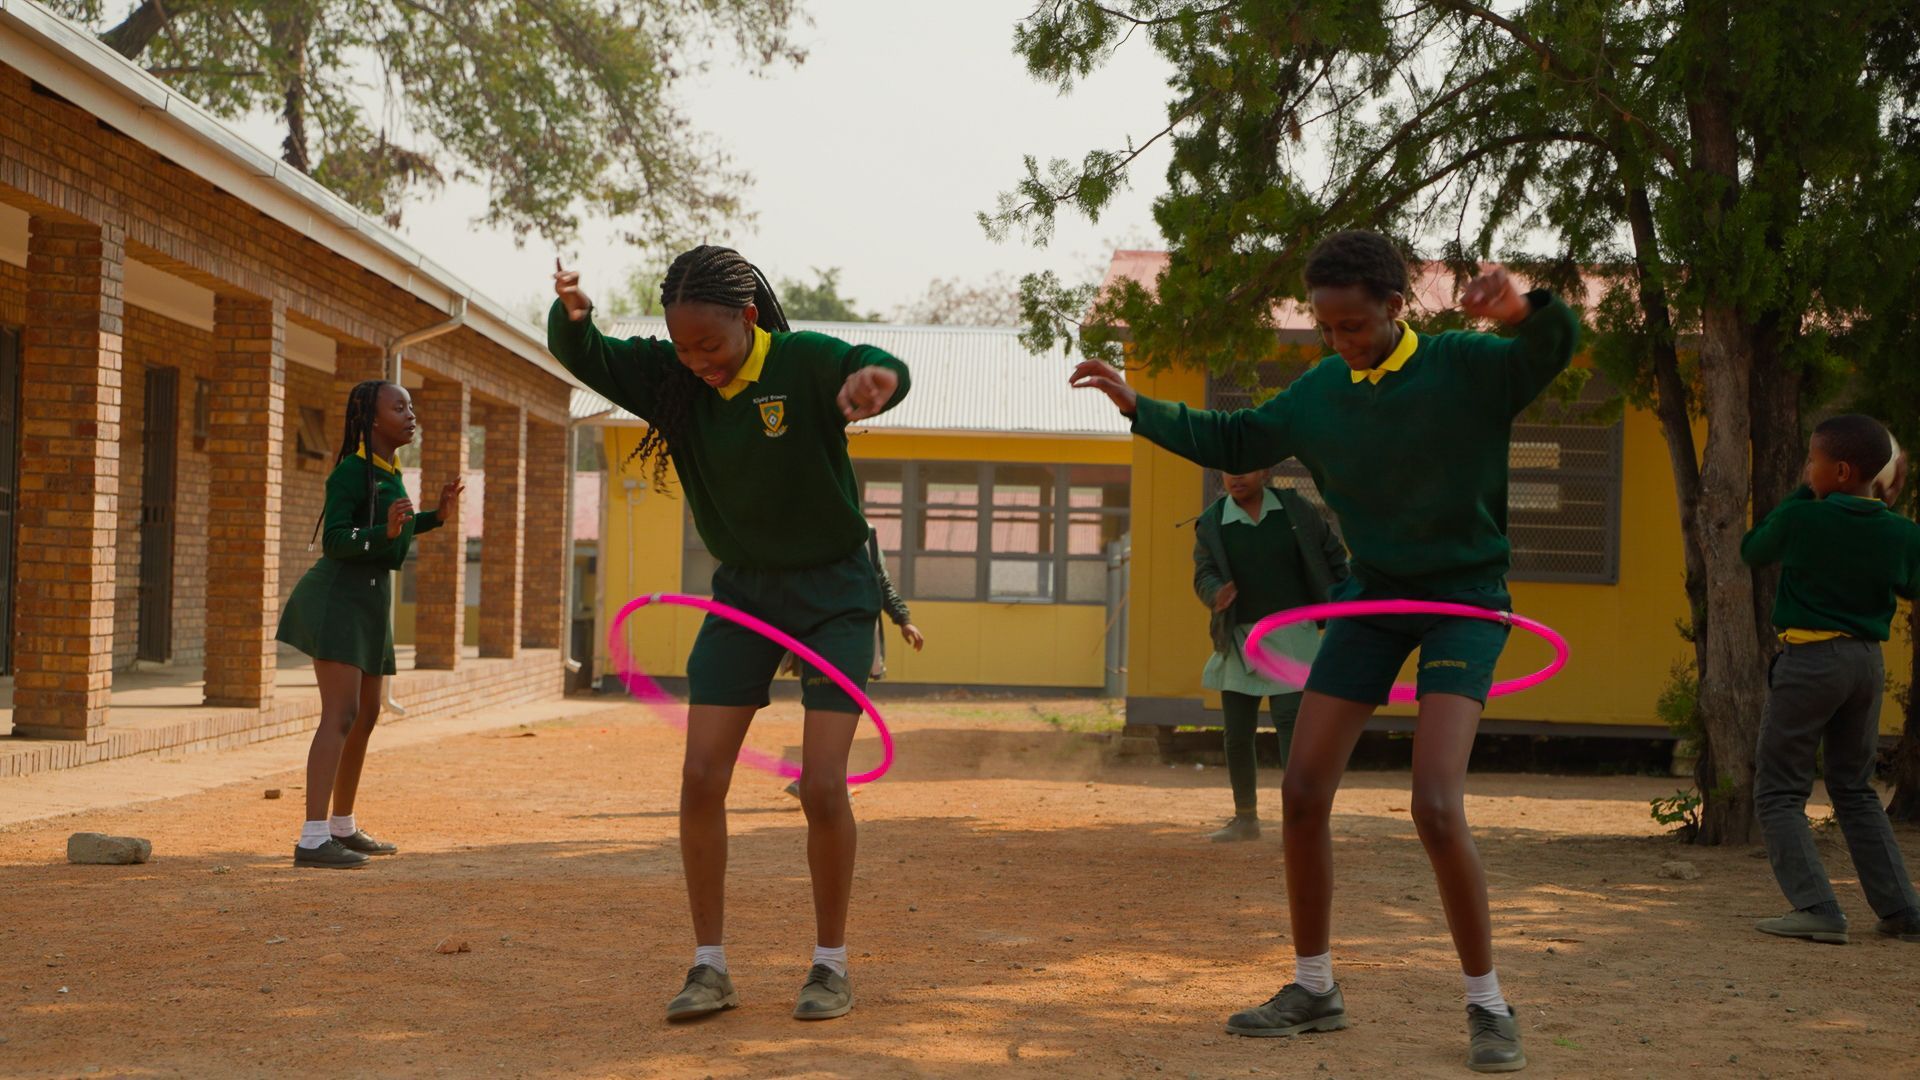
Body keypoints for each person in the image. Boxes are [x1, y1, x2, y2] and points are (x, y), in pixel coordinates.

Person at [1071, 230, 1579, 1072]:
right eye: (1327, 330)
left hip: (1464, 602)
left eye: (1353, 326)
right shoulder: (1320, 393)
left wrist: (1521, 308)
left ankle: (1488, 1004)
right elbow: (1238, 438)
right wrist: (1138, 406)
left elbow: (1552, 346)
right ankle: (1315, 988)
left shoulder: (1465, 367)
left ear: (1393, 305)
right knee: (1303, 790)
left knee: (1435, 804)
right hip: (1374, 600)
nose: (1340, 342)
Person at [548, 246, 910, 1023]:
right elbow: (590, 355)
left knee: (820, 785)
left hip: (835, 592)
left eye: (709, 345)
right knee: (702, 775)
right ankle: (709, 967)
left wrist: (879, 380)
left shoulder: (805, 362)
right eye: (681, 347)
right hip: (745, 592)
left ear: (747, 319)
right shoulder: (675, 376)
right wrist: (575, 319)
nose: (695, 361)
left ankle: (830, 966)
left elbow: (873, 360)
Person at [1739, 413, 1920, 947]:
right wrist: (1886, 509)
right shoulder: (1902, 530)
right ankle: (1902, 909)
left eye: (1812, 461)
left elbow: (1753, 549)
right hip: (1866, 663)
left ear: (1840, 470)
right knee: (1854, 787)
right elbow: (1909, 585)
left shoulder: (1803, 519)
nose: (1806, 469)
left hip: (1810, 661)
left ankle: (1817, 907)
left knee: (1778, 790)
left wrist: (1801, 493)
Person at [276, 380, 463, 869]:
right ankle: (312, 837)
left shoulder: (388, 469)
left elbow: (390, 527)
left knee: (367, 714)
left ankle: (342, 825)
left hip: (370, 603)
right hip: (338, 600)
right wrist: (388, 530)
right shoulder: (351, 471)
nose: (410, 414)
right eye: (398, 407)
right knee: (339, 714)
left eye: (411, 406)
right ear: (372, 419)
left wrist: (433, 518)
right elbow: (337, 539)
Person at [1195, 466, 1347, 842]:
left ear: (1264, 471)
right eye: (1227, 470)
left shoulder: (1295, 510)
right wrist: (1216, 592)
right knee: (1236, 732)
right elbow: (1204, 572)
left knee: (1290, 721)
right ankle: (1245, 819)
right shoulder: (1213, 521)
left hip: (1293, 634)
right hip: (1240, 636)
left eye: (1244, 468)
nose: (1235, 477)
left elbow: (1333, 555)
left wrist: (1344, 605)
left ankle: (1297, 819)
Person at [782, 527, 924, 800]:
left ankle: (820, 775)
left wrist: (904, 620)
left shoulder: (865, 534)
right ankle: (820, 776)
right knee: (824, 702)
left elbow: (880, 581)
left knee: (839, 704)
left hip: (856, 635)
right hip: (817, 632)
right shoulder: (812, 531)